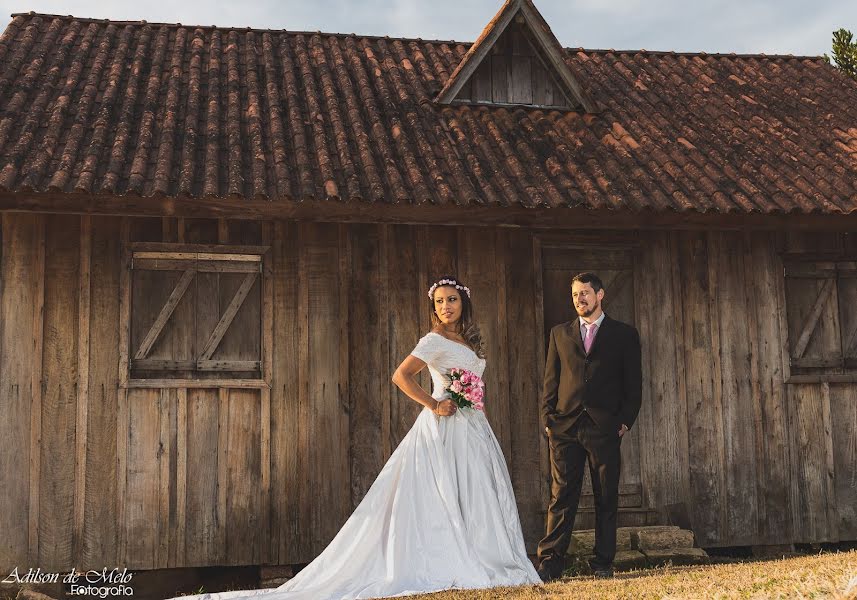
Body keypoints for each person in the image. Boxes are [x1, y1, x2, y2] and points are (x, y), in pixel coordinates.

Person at [166, 275, 541, 600]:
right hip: (445, 426)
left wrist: (479, 415)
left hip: (474, 427)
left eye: (452, 300)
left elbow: (475, 387)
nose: (446, 306)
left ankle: (485, 552)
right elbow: (401, 376)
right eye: (439, 301)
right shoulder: (432, 340)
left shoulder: (470, 340)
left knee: (476, 494)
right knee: (444, 493)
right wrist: (432, 403)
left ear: (464, 302)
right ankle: (452, 555)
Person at [536, 272, 642, 582]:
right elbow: (550, 381)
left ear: (600, 295)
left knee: (606, 495)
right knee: (561, 496)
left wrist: (624, 421)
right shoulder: (560, 333)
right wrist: (548, 421)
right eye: (575, 295)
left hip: (604, 427)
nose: (579, 299)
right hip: (565, 426)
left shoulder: (624, 334)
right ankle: (551, 562)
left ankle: (603, 562)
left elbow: (634, 384)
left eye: (585, 293)